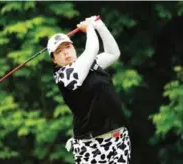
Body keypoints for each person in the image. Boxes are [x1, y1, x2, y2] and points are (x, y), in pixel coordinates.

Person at [47, 16, 131, 164]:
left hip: (118, 139)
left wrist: (99, 25)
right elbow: (92, 48)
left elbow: (113, 54)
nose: (65, 52)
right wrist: (90, 28)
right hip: (90, 146)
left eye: (67, 47)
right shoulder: (64, 76)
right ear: (54, 60)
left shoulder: (90, 64)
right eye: (59, 51)